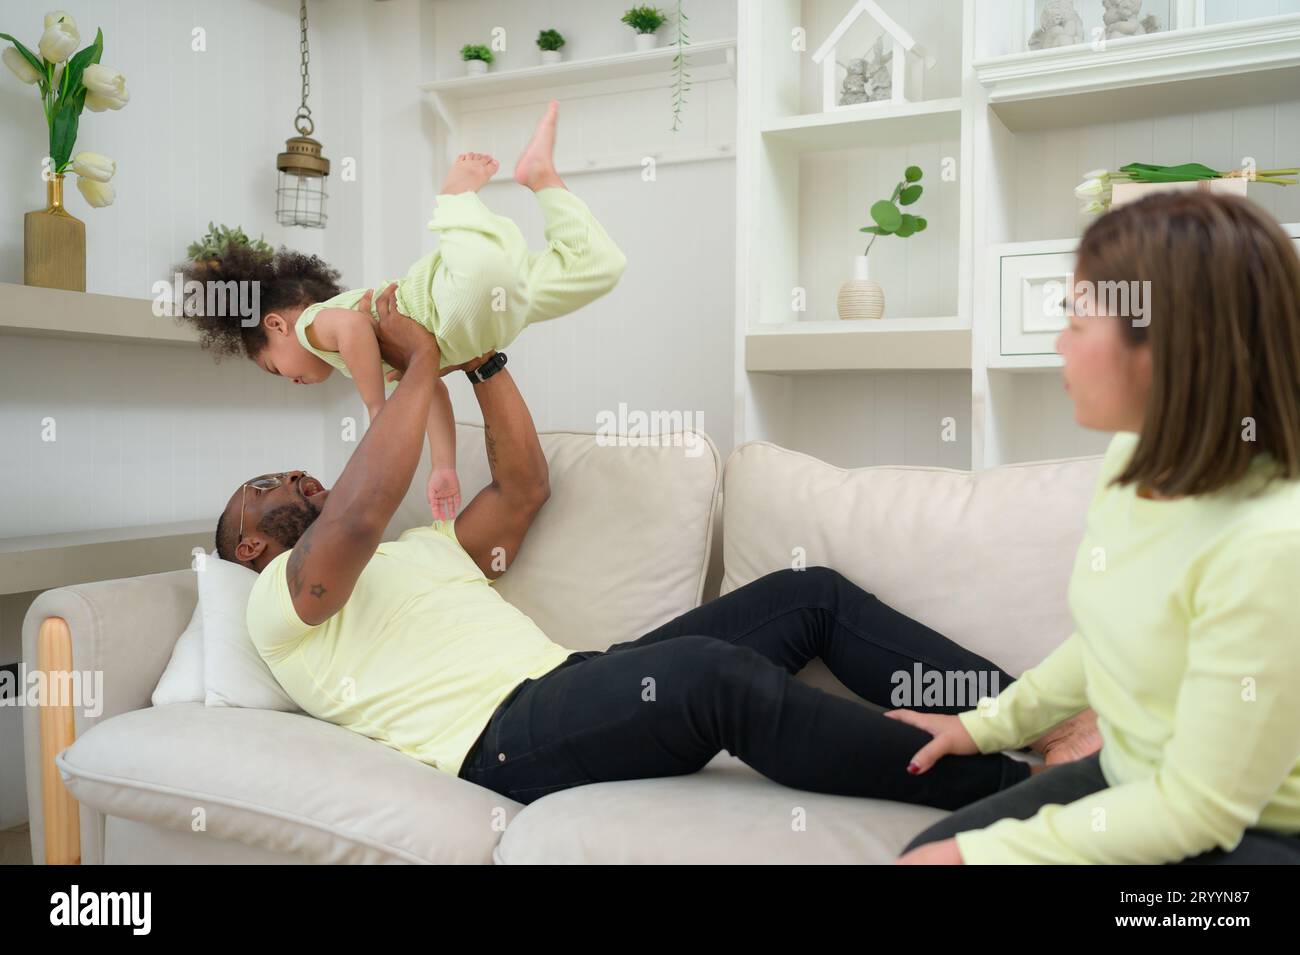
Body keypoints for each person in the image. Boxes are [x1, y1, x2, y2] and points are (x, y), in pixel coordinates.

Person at [222, 284, 1094, 814]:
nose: (296, 478)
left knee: (808, 592)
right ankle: (1025, 800)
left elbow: (524, 487)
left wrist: (481, 362)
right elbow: (358, 512)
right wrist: (414, 366)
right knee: (712, 677)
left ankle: (1050, 722)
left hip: (582, 677)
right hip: (503, 741)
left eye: (298, 471)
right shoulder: (279, 605)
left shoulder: (420, 549)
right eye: (264, 484)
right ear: (251, 542)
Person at [893, 191, 1300, 864]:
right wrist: (981, 727)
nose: (1060, 343)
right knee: (931, 850)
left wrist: (985, 858)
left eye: (1077, 323)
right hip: (1135, 778)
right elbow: (1107, 638)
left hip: (1256, 833)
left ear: (1165, 348)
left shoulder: (1271, 543)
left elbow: (1198, 808)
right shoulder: (1131, 460)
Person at [181, 100, 624, 520]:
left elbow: (355, 326)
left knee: (484, 272)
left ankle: (454, 198)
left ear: (277, 324)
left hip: (448, 300)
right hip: (486, 323)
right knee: (599, 268)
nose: (292, 380)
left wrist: (377, 410)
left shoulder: (313, 327)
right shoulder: (358, 362)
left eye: (275, 369)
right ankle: (543, 179)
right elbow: (429, 387)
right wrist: (443, 465)